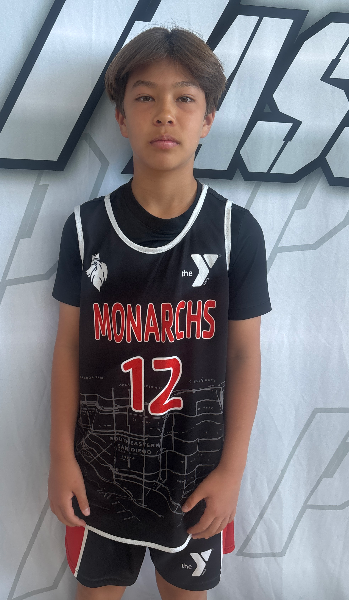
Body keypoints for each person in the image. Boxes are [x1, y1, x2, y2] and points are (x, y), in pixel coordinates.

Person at [49, 26, 271, 600]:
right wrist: (60, 457)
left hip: (195, 473)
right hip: (99, 471)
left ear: (208, 118)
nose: (165, 113)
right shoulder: (85, 229)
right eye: (146, 96)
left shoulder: (235, 232)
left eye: (185, 98)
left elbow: (244, 355)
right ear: (122, 118)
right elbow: (68, 346)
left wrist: (232, 471)